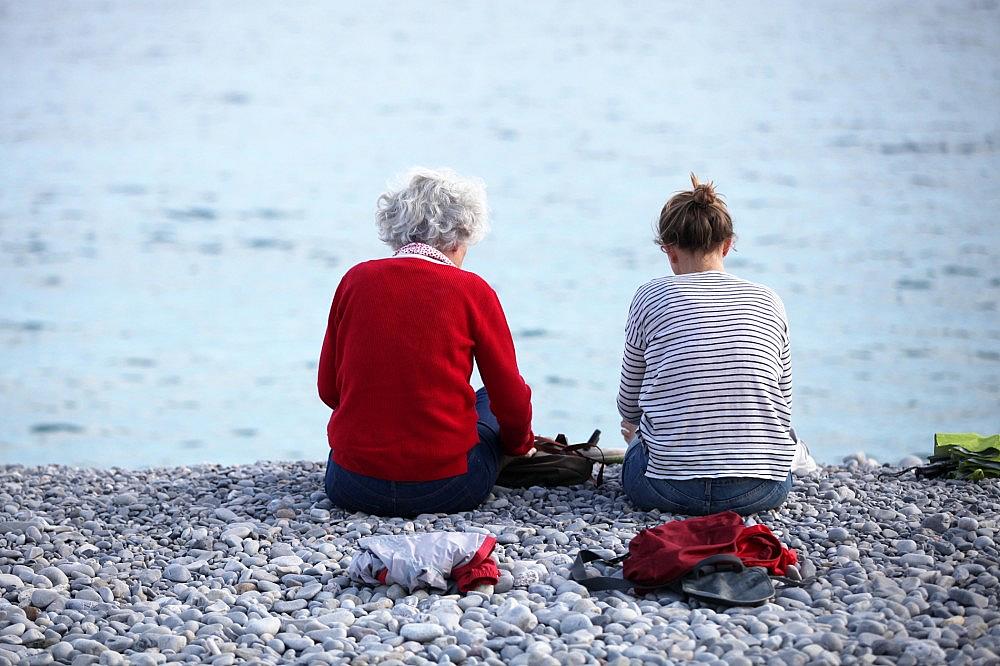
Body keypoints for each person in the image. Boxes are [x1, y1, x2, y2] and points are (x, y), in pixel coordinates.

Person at [318, 168, 534, 516]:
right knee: (491, 398)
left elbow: (329, 391)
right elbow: (510, 397)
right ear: (458, 239)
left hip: (352, 485)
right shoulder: (471, 289)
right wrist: (519, 446)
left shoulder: (355, 280)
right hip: (446, 489)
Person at [618, 174, 795, 516]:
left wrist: (636, 431)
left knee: (638, 439)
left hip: (665, 487)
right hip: (761, 488)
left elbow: (628, 403)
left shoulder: (650, 296)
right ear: (727, 245)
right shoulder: (768, 300)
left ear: (668, 251)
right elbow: (782, 401)